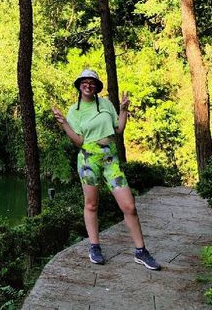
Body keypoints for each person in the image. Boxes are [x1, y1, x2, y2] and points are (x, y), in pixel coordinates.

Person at [52, 69, 161, 270]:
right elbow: (78, 141)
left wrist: (123, 110)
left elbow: (118, 129)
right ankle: (95, 246)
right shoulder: (73, 111)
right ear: (79, 85)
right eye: (84, 81)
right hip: (88, 160)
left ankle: (141, 251)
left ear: (96, 86)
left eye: (92, 82)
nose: (88, 84)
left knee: (129, 206)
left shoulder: (105, 104)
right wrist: (64, 123)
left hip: (111, 160)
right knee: (92, 205)